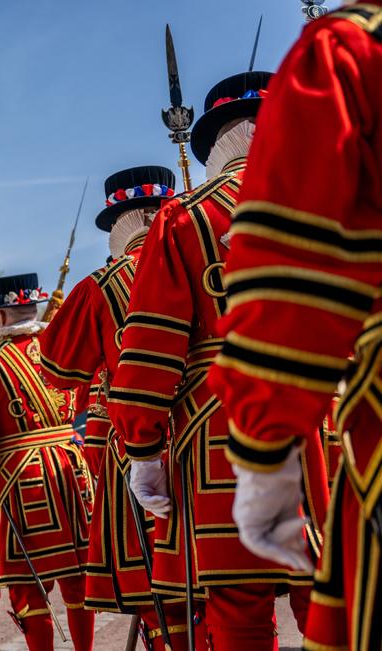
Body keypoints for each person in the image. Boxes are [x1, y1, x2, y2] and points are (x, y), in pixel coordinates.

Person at [107, 71, 330, 649]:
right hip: (327, 427)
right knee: (337, 601)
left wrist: (143, 451)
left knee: (239, 605)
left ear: (215, 146)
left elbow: (151, 348)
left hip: (222, 431)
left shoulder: (185, 217)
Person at [204, 3, 382, 649]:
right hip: (334, 411)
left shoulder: (351, 48)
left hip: (264, 400)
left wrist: (261, 452)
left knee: (239, 599)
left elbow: (295, 276)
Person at [38, 167, 192, 648]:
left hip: (143, 448)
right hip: (222, 432)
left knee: (160, 593)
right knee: (234, 587)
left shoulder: (103, 284)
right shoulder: (213, 249)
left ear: (119, 224)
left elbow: (57, 369)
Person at [0, 274, 94, 651]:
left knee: (29, 587)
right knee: (79, 577)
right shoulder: (59, 350)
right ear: (33, 308)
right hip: (72, 469)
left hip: (22, 480)